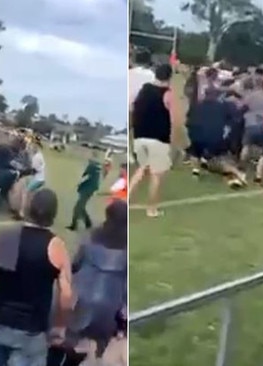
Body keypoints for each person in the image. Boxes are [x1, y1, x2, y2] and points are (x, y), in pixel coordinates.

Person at [0, 189, 73, 366]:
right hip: (31, 329)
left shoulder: (6, 236)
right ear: (53, 215)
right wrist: (60, 326)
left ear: (29, 209)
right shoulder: (56, 246)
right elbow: (66, 296)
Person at [47, 200, 127, 366]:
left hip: (82, 302)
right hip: (109, 309)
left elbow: (75, 265)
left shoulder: (90, 237)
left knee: (65, 339)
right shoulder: (126, 248)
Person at [129, 64, 175, 218]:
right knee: (156, 175)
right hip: (158, 139)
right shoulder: (167, 94)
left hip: (139, 136)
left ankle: (125, 200)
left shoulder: (144, 89)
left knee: (142, 169)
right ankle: (151, 209)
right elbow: (173, 115)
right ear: (169, 77)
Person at [239, 78, 263, 169]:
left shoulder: (251, 96)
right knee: (262, 148)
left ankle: (242, 165)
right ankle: (259, 166)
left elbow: (243, 107)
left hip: (250, 123)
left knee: (246, 145)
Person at [66, 150, 103, 231]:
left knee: (77, 207)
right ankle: (88, 222)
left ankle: (74, 225)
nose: (87, 156)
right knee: (82, 206)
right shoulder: (98, 165)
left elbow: (86, 177)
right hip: (91, 189)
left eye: (88, 154)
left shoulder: (91, 166)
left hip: (87, 189)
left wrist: (77, 184)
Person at [18, 137, 45, 220]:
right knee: (30, 194)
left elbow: (34, 170)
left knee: (25, 192)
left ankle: (21, 213)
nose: (31, 147)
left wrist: (22, 173)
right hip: (40, 179)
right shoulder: (39, 155)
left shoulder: (36, 157)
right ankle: (31, 211)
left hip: (38, 179)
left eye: (33, 146)